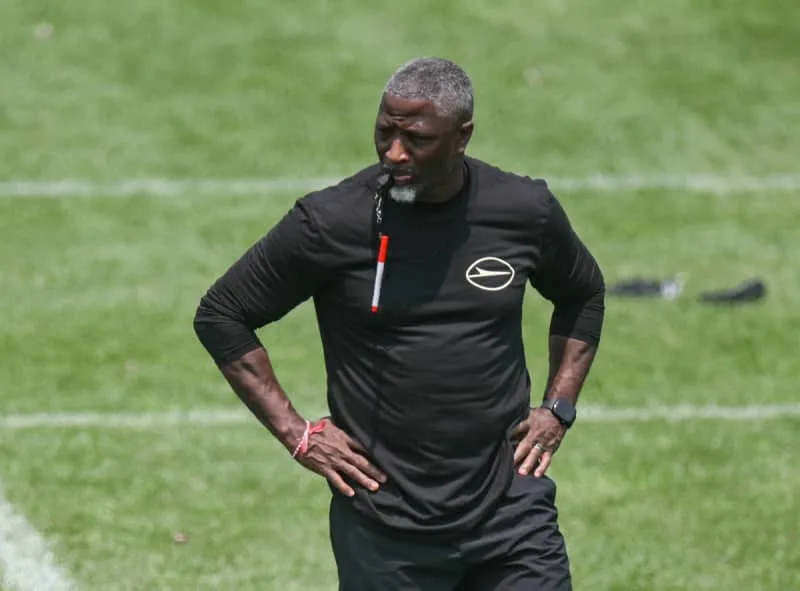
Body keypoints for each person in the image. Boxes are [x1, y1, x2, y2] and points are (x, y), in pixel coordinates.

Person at [194, 56, 605, 591]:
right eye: (384, 132)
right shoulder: (333, 221)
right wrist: (298, 433)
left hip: (510, 511)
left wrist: (557, 408)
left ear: (463, 137)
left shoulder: (523, 210)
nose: (394, 153)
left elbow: (582, 292)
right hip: (385, 525)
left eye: (416, 139)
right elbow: (222, 314)